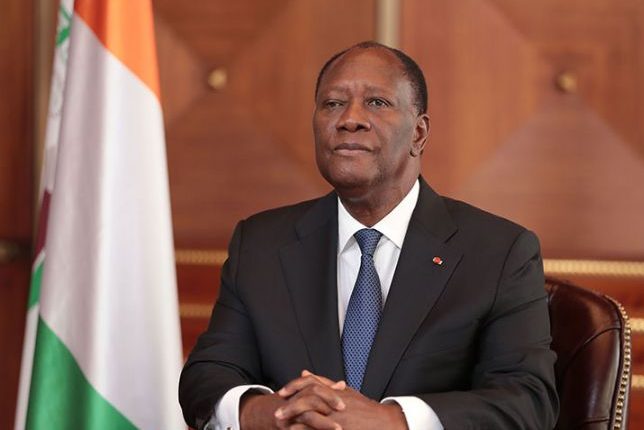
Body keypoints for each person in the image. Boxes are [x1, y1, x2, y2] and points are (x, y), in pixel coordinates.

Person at [179, 41, 559, 430]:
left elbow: (527, 399)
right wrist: (264, 413)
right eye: (333, 104)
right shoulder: (261, 244)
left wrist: (393, 420)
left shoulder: (498, 252)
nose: (350, 119)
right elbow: (208, 374)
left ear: (419, 134)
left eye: (376, 102)